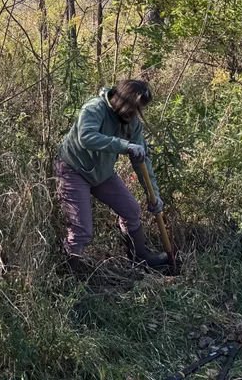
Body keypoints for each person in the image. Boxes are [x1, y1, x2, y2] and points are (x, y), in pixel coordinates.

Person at [56, 79, 169, 271]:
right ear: (122, 100)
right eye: (133, 107)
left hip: (102, 173)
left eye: (138, 109)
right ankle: (69, 272)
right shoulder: (95, 108)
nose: (135, 114)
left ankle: (140, 258)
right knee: (82, 229)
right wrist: (125, 146)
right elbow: (86, 137)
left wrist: (154, 195)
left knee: (131, 210)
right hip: (72, 169)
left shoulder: (132, 124)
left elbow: (142, 160)